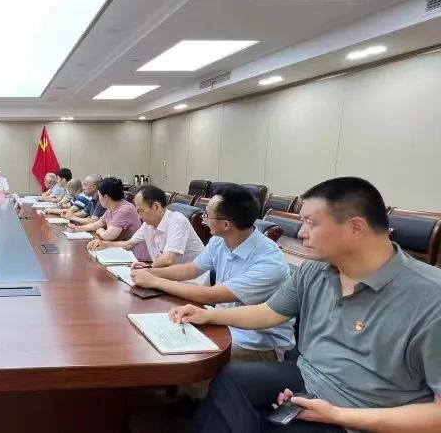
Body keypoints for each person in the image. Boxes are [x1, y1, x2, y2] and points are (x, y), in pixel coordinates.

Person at [174, 177, 441, 433]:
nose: (301, 233)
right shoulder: (315, 270)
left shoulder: (431, 297)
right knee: (230, 380)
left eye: (310, 223)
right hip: (308, 377)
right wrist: (207, 315)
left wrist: (336, 414)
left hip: (366, 410)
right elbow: (269, 312)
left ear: (355, 227)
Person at [134, 184, 294, 362]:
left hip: (257, 342)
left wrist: (155, 281)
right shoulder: (219, 240)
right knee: (160, 333)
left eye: (207, 216)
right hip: (222, 323)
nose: (204, 220)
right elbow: (191, 269)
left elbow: (211, 295)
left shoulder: (269, 261)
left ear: (226, 224)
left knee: (180, 356)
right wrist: (151, 272)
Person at [88, 185, 207, 283]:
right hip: (165, 277)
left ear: (155, 206)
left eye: (141, 211)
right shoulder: (148, 224)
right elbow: (129, 244)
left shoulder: (177, 222)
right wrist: (105, 244)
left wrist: (147, 268)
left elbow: (167, 260)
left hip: (192, 282)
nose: (139, 216)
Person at [68, 177, 150, 260]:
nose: (99, 198)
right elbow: (97, 224)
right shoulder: (111, 208)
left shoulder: (125, 210)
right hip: (120, 250)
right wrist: (78, 228)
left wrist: (100, 230)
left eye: (99, 195)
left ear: (106, 197)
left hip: (136, 256)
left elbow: (108, 236)